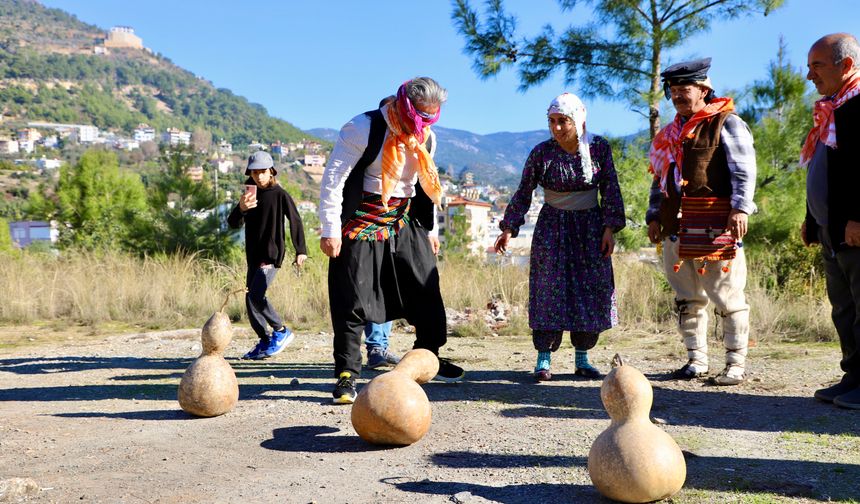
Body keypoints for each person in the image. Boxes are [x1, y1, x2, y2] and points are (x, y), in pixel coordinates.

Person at [319, 77, 464, 404]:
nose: (424, 122)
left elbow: (425, 185)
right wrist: (329, 228)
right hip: (361, 218)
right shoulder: (362, 128)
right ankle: (347, 374)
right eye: (420, 114)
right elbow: (333, 180)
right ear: (403, 104)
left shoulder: (426, 137)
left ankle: (426, 359)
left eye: (431, 116)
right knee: (351, 296)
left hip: (404, 219)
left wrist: (431, 232)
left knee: (426, 288)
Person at [494, 93, 626, 382]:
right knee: (548, 288)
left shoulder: (599, 148)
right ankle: (544, 358)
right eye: (551, 121)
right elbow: (524, 191)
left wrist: (609, 229)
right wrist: (508, 228)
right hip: (552, 228)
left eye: (562, 121)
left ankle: (582, 359)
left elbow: (611, 188)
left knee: (590, 290)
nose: (556, 128)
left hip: (590, 228)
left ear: (578, 120)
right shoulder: (542, 153)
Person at [646, 58, 757, 386]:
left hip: (716, 224)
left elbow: (743, 169)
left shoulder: (727, 123)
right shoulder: (669, 134)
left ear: (704, 89)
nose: (679, 96)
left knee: (727, 295)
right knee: (687, 296)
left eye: (686, 90)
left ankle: (735, 363)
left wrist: (740, 209)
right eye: (674, 91)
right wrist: (654, 215)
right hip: (676, 226)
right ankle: (696, 360)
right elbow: (660, 178)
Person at [801, 33, 860, 410]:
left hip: (853, 229)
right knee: (843, 307)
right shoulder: (829, 110)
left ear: (846, 66)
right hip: (830, 229)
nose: (810, 76)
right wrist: (811, 217)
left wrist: (857, 217)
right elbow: (820, 168)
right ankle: (854, 377)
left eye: (817, 66)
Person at [227, 151, 307, 360]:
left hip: (272, 254)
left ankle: (280, 331)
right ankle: (264, 340)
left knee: (256, 295)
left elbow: (295, 221)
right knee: (249, 298)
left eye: (262, 172)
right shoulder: (250, 195)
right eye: (254, 173)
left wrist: (301, 250)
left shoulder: (280, 194)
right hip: (253, 255)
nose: (259, 177)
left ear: (271, 171)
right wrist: (241, 208)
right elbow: (232, 224)